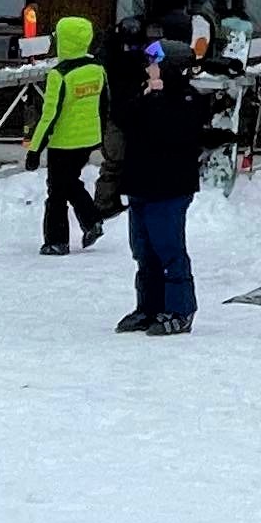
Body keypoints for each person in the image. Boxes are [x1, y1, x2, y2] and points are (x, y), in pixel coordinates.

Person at [112, 22, 212, 336]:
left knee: (168, 248)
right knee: (143, 250)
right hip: (141, 184)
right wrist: (145, 96)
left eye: (156, 63)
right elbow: (123, 119)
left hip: (169, 188)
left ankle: (180, 309)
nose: (150, 68)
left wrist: (154, 99)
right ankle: (149, 306)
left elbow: (169, 133)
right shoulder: (147, 96)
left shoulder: (188, 101)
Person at [25, 15, 113, 255]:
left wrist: (35, 149)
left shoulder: (59, 75)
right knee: (69, 183)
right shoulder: (97, 69)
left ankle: (57, 241)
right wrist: (102, 134)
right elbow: (105, 103)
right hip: (88, 139)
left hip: (64, 142)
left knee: (56, 191)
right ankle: (91, 220)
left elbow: (49, 116)